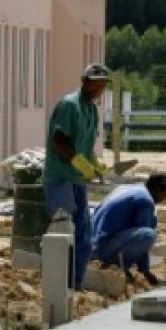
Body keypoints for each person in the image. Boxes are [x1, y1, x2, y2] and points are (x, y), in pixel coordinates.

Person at [44, 63, 110, 290]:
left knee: (84, 232)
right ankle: (57, 285)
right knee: (62, 230)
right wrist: (77, 161)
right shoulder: (69, 106)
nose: (99, 89)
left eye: (102, 85)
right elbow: (59, 140)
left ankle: (75, 284)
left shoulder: (91, 110)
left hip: (78, 179)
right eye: (95, 84)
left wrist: (93, 163)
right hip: (61, 177)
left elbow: (87, 145)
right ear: (84, 82)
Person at [90, 172, 166, 287]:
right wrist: (145, 271)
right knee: (149, 234)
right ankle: (117, 266)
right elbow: (143, 238)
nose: (163, 199)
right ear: (158, 189)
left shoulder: (126, 188)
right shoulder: (145, 201)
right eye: (165, 195)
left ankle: (112, 260)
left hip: (92, 243)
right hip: (102, 247)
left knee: (151, 222)